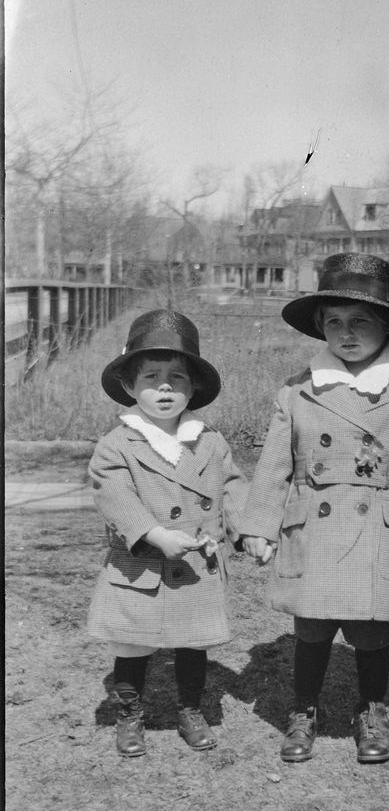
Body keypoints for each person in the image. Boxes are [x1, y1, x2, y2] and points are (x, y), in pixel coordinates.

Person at [241, 253, 389, 765]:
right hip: (314, 525)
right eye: (334, 321)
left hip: (382, 529)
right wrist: (259, 527)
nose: (346, 333)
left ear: (387, 325)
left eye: (361, 321)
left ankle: (371, 710)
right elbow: (275, 464)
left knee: (372, 630)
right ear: (319, 328)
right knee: (311, 627)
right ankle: (303, 710)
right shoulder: (297, 390)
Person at [87, 309, 248, 758]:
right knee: (132, 645)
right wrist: (155, 534)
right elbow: (113, 495)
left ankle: (190, 709)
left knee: (193, 642)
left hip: (196, 563)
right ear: (128, 386)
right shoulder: (117, 443)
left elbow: (232, 486)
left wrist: (250, 530)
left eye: (177, 377)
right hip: (138, 565)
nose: (164, 387)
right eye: (151, 376)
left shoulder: (210, 441)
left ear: (193, 388)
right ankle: (129, 714)